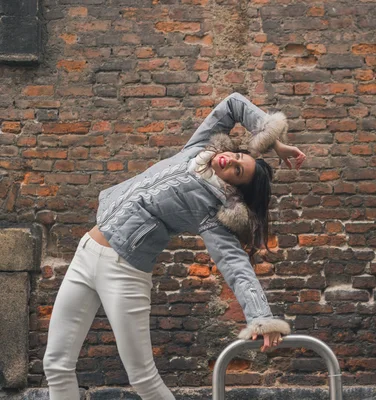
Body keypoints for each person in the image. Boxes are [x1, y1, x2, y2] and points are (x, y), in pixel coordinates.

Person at [43, 93, 306, 400]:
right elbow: (233, 104)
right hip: (86, 252)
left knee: (142, 378)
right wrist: (274, 142)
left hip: (124, 271)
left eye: (237, 171)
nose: (230, 160)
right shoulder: (199, 149)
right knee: (56, 364)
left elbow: (235, 266)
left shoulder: (212, 211)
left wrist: (262, 319)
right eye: (237, 156)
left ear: (235, 189)